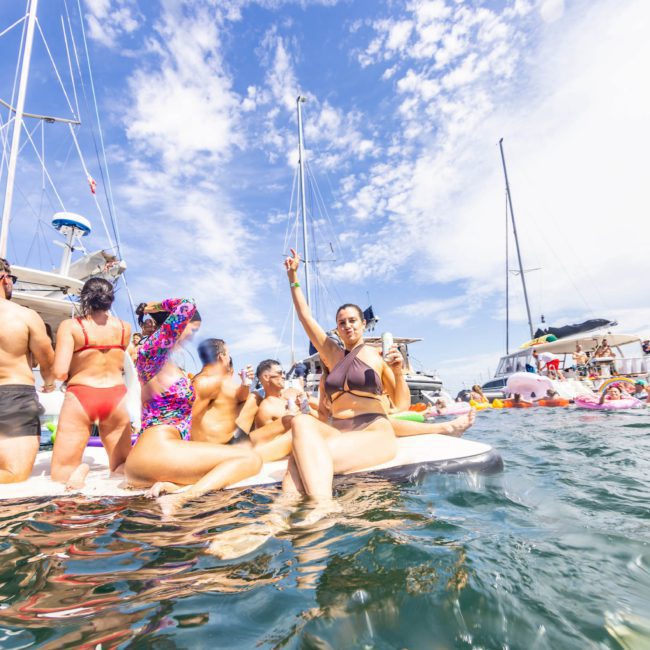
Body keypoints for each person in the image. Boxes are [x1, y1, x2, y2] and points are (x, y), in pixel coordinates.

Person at [281, 248, 410, 503]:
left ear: (363, 324)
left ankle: (305, 510)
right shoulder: (331, 355)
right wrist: (293, 277)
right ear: (337, 329)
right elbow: (305, 316)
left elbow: (401, 403)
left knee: (298, 462)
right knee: (301, 422)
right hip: (338, 433)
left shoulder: (377, 355)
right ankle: (285, 516)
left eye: (353, 320)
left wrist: (397, 371)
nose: (347, 325)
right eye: (342, 323)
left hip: (373, 433)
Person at [123, 299, 261, 514]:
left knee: (244, 455)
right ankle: (182, 499)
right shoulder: (151, 353)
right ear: (177, 324)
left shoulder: (171, 365)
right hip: (155, 450)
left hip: (164, 454)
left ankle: (176, 488)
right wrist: (149, 308)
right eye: (192, 329)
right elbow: (187, 304)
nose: (192, 336)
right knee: (249, 459)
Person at [51, 278, 133, 489]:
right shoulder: (124, 328)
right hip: (116, 396)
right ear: (110, 299)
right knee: (122, 465)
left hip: (82, 394)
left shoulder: (71, 326)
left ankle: (79, 470)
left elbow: (59, 372)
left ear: (85, 297)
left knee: (62, 472)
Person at [0, 258, 55, 483]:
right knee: (14, 474)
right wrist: (50, 383)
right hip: (13, 395)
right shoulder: (24, 315)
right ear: (4, 278)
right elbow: (47, 362)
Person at [190, 338, 255, 445]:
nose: (229, 359)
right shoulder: (204, 381)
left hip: (233, 436)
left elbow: (240, 398)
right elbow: (189, 418)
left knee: (252, 398)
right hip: (221, 444)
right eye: (228, 355)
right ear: (221, 357)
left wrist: (245, 383)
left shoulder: (217, 380)